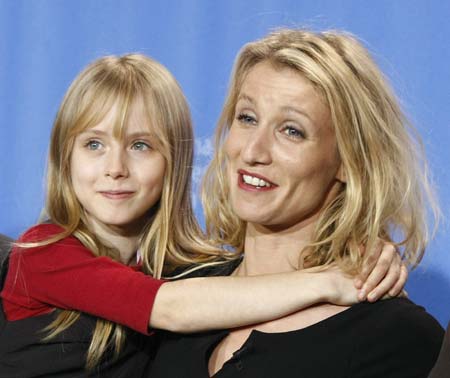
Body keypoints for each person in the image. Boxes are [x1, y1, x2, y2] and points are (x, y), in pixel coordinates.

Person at [0, 54, 404, 377]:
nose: (115, 167)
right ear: (62, 158)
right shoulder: (41, 251)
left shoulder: (179, 269)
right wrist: (327, 282)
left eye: (140, 145)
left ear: (173, 162)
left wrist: (364, 250)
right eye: (93, 144)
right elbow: (171, 306)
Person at [150, 29, 444, 378]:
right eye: (247, 118)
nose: (253, 151)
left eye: (292, 130)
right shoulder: (171, 292)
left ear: (349, 162)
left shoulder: (394, 336)